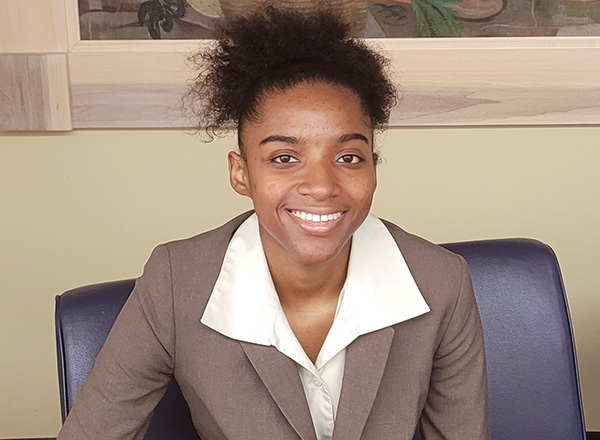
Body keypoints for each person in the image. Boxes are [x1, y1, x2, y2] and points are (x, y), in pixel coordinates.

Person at [58, 6, 489, 440]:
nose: (321, 186)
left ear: (373, 168)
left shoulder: (441, 282)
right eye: (284, 158)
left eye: (348, 157)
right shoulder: (176, 282)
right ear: (241, 173)